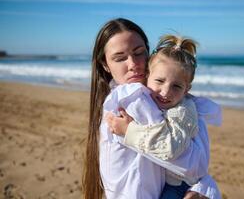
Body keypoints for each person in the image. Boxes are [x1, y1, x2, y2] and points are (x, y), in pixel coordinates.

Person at [82, 17, 222, 199]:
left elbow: (193, 165)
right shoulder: (132, 98)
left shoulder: (166, 101)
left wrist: (203, 186)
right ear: (105, 65)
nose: (133, 64)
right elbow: (193, 164)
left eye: (139, 53)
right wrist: (206, 186)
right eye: (120, 58)